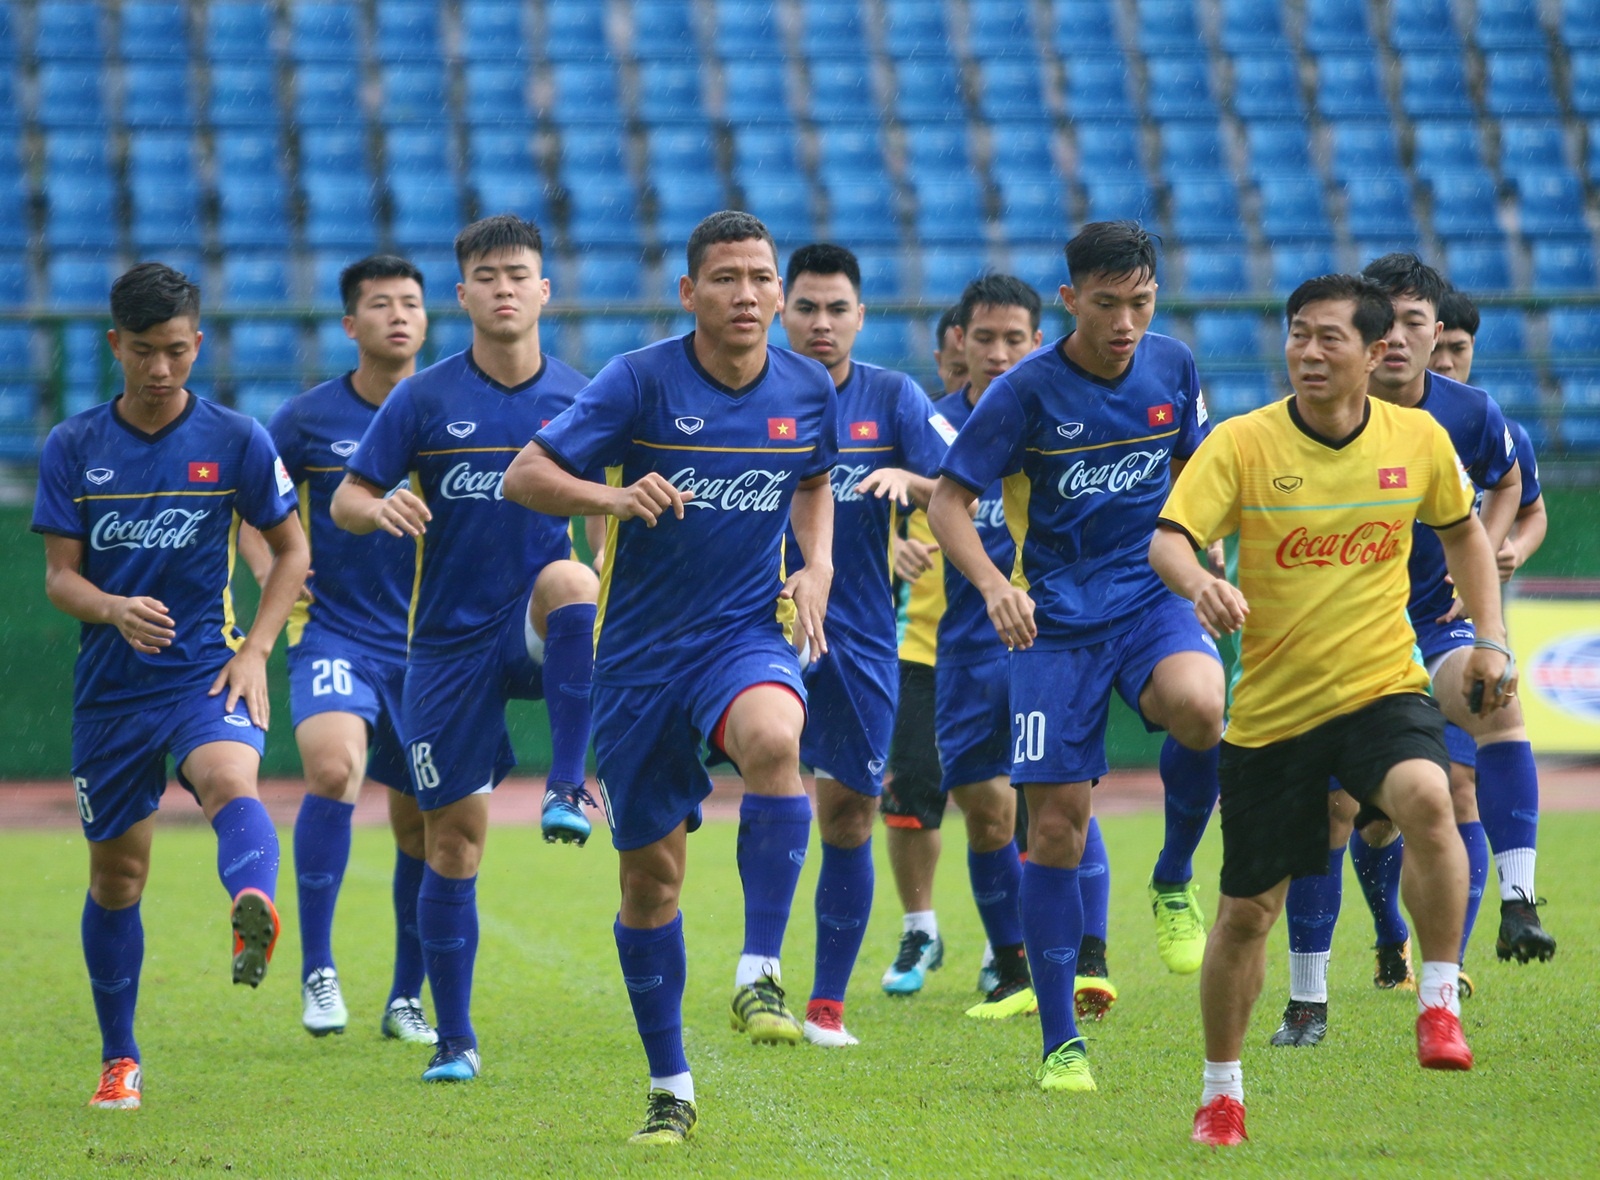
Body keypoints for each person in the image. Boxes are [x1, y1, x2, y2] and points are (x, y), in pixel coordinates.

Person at [1153, 272, 1514, 1147]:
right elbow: (1169, 538)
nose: (1309, 353)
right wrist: (1201, 580)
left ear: (1376, 350)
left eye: (1329, 339)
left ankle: (1435, 1003)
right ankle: (1222, 1093)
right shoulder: (1242, 443)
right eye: (1298, 336)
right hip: (1272, 716)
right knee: (1246, 914)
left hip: (1380, 687)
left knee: (1431, 798)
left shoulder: (1417, 439)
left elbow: (1466, 531)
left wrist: (1491, 634)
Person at [503, 211, 837, 1146]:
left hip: (741, 633)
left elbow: (815, 482)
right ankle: (671, 1088)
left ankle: (759, 971)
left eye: (759, 277)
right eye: (724, 278)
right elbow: (524, 476)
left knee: (778, 738)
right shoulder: (640, 380)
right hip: (640, 660)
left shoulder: (807, 388)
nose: (745, 294)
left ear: (778, 292)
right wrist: (612, 495)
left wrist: (817, 566)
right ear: (689, 294)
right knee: (651, 887)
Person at [929, 222, 1224, 1093]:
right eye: (1106, 304)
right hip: (1052, 623)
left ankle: (1172, 878)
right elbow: (950, 503)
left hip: (1150, 600)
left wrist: (1204, 555)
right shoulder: (1023, 393)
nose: (1126, 321)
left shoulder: (1173, 367)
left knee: (1204, 708)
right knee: (1054, 827)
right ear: (1070, 301)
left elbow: (1200, 472)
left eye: (1140, 302)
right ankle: (1062, 1042)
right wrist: (991, 585)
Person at [32, 262, 309, 1110]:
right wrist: (113, 608)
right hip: (113, 692)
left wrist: (258, 649)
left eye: (179, 352)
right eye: (145, 352)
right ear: (115, 345)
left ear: (199, 345)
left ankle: (252, 900)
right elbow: (58, 578)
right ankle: (120, 1059)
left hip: (204, 673)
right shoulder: (74, 445)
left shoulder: (237, 439)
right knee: (119, 878)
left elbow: (291, 550)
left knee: (230, 778)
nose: (162, 370)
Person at [331, 215, 600, 1083]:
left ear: (545, 290)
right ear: (464, 294)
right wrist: (378, 508)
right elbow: (346, 499)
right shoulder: (424, 398)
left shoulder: (580, 395)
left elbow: (605, 507)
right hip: (444, 646)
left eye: (519, 274)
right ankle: (454, 1039)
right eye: (486, 276)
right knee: (454, 842)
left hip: (533, 621)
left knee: (573, 584)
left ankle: (567, 784)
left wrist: (608, 561)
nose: (504, 288)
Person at [1269, 260, 1552, 1046]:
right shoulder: (1302, 422)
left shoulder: (1465, 416)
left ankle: (1515, 901)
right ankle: (1308, 997)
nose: (1397, 338)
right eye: (1382, 322)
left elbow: (1512, 492)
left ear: (1437, 335)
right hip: (1341, 640)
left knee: (1487, 716)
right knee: (1342, 812)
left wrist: (1487, 572)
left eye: (1415, 323)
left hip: (1431, 626)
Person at [236, 255, 437, 1043]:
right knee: (332, 767)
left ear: (428, 318)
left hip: (430, 645)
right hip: (335, 633)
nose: (398, 315)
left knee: (423, 820)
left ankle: (407, 996)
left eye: (411, 304)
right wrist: (273, 571)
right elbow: (252, 509)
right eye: (380, 305)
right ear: (350, 325)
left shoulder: (451, 408)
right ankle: (317, 969)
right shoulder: (307, 418)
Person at [777, 243, 950, 1046]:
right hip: (746, 626)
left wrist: (908, 487)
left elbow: (959, 489)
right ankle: (755, 970)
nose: (821, 322)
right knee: (766, 785)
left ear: (860, 316)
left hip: (861, 635)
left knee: (848, 812)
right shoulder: (750, 392)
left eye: (836, 308)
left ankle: (825, 1004)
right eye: (806, 307)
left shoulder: (894, 396)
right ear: (782, 310)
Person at [922, 275, 1049, 1022]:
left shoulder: (1059, 419)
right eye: (984, 338)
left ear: (1036, 343)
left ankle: (1078, 956)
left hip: (1048, 638)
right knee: (985, 810)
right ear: (957, 345)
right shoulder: (934, 427)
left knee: (1058, 799)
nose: (999, 354)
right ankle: (1009, 962)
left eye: (1014, 340)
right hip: (966, 642)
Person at [879, 307, 967, 996]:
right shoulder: (914, 429)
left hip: (1019, 647)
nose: (985, 359)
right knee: (910, 798)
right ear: (941, 360)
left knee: (1020, 809)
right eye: (966, 348)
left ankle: (1017, 947)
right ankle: (920, 925)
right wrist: (891, 546)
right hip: (924, 647)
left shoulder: (1043, 426)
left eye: (1005, 341)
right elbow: (857, 514)